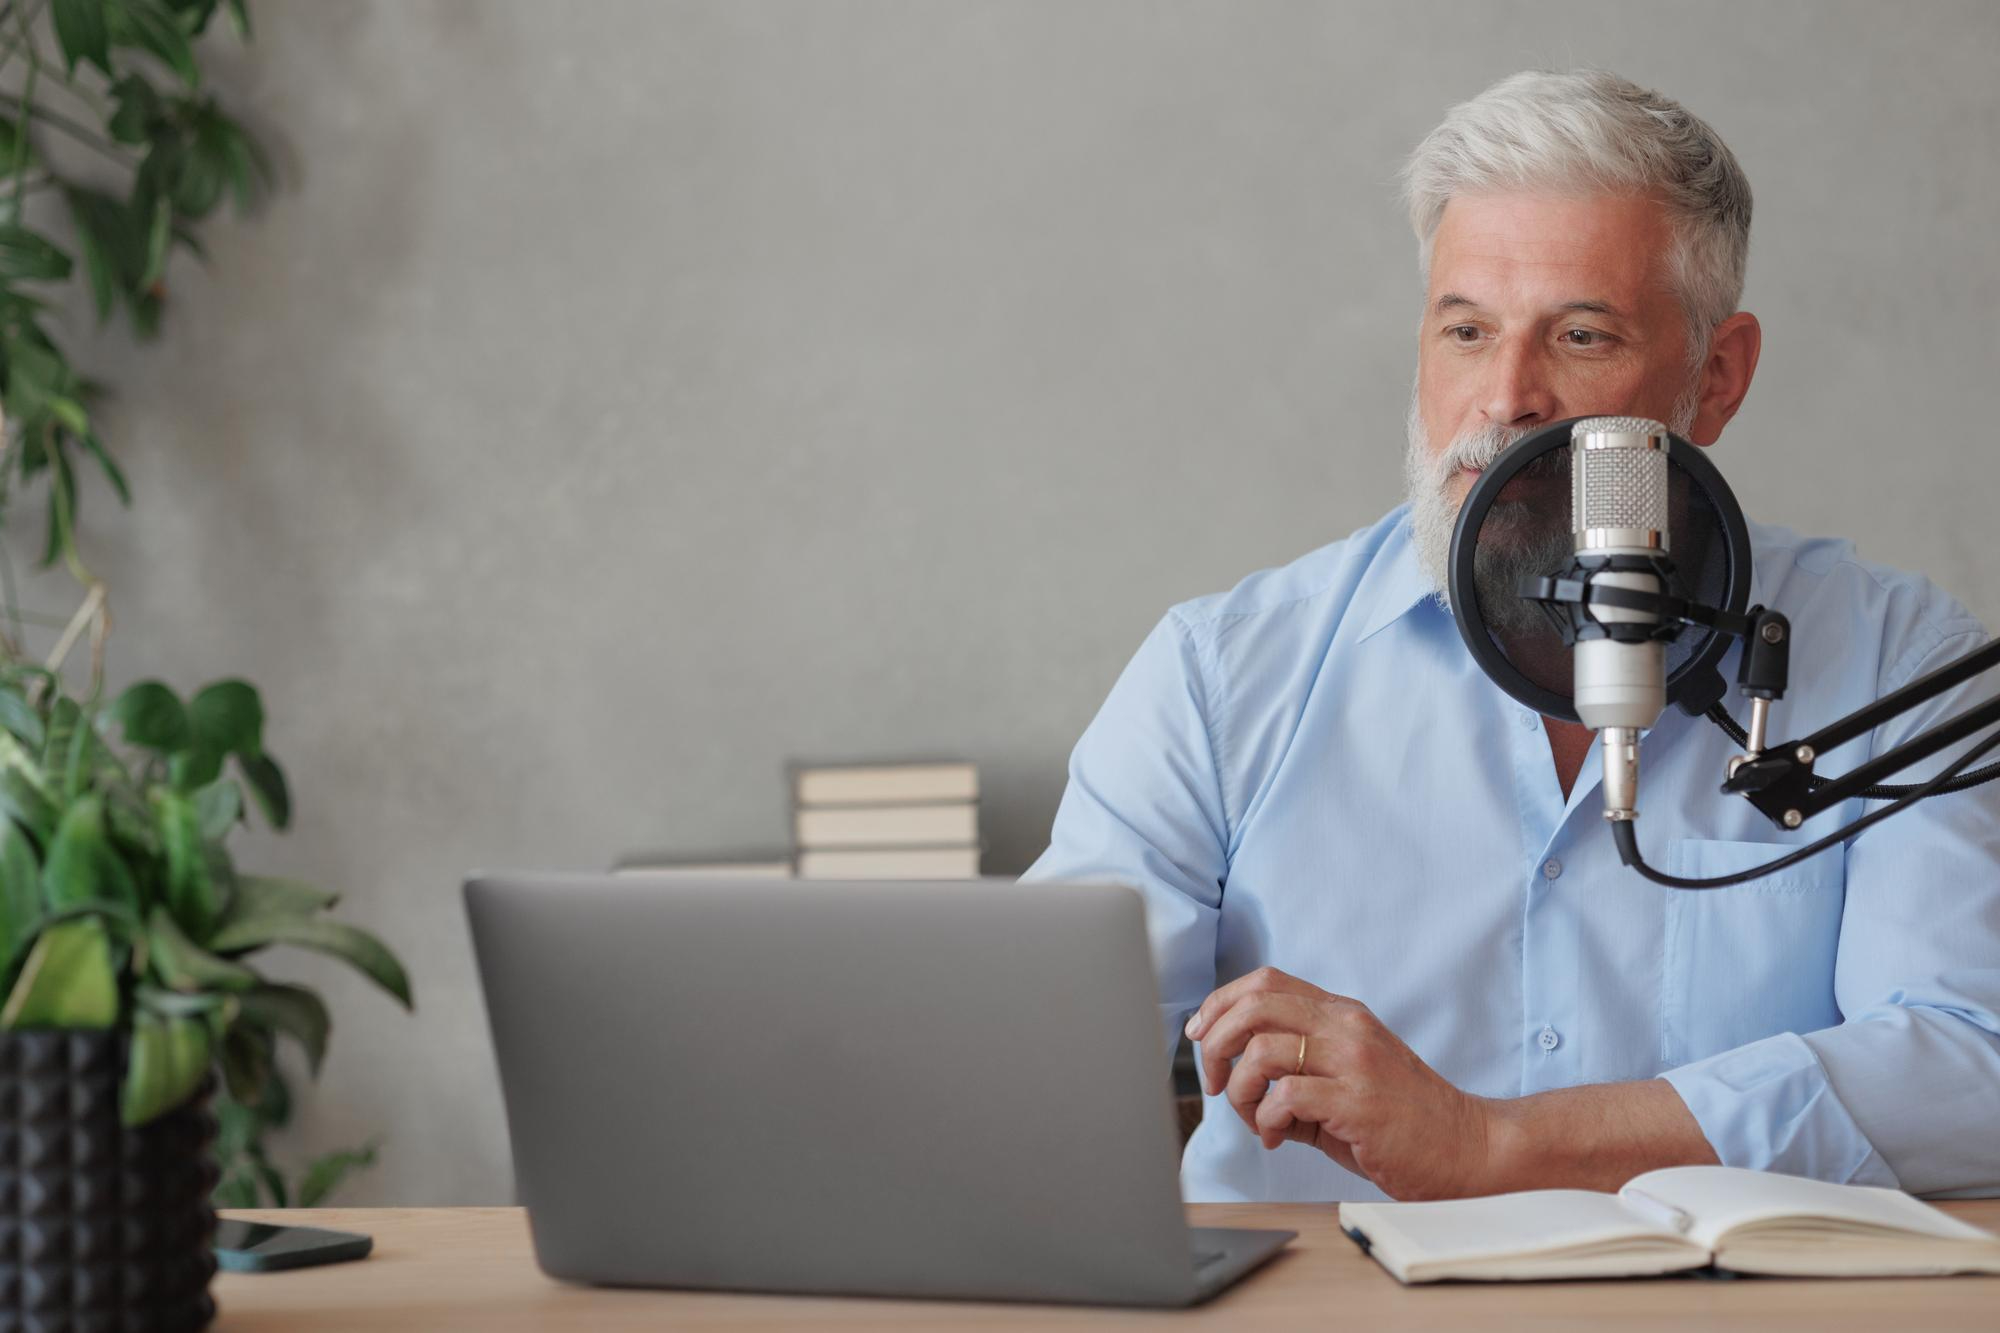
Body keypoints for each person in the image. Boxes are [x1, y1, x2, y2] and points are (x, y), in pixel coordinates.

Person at [1021, 69, 2000, 1204]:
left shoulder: (1894, 664)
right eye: (1465, 330)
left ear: (1715, 377)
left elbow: (1972, 1062)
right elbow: (1028, 1080)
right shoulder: (1220, 678)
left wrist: (1493, 1144)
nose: (1503, 397)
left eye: (1579, 335)